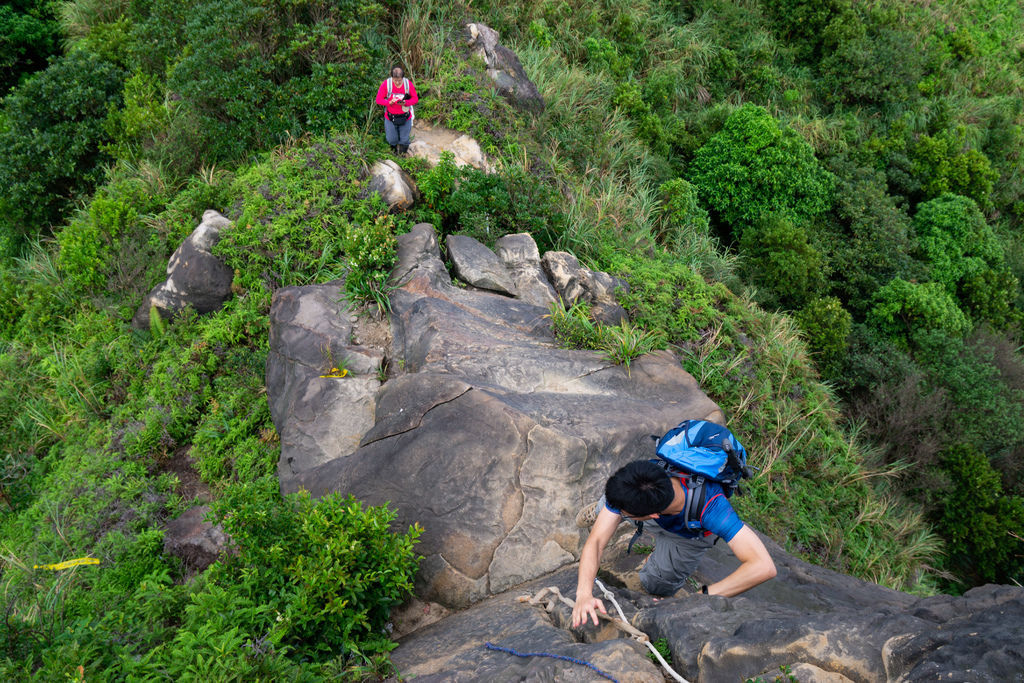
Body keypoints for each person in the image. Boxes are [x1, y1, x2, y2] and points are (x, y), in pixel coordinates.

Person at [572, 459, 776, 628]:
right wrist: (583, 594)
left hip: (688, 534)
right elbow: (597, 541)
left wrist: (698, 597)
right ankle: (603, 510)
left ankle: (628, 526)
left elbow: (763, 567)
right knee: (615, 505)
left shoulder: (713, 508)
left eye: (624, 513)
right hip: (649, 510)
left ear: (651, 515)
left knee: (656, 584)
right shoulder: (647, 474)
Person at [375, 66, 418, 156]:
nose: (398, 83)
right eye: (395, 80)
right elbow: (378, 99)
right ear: (392, 77)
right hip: (390, 117)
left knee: (404, 140)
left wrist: (406, 102)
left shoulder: (408, 84)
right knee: (391, 139)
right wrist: (388, 102)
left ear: (403, 78)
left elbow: (415, 99)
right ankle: (394, 153)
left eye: (400, 80)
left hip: (405, 116)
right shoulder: (386, 84)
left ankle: (402, 156)